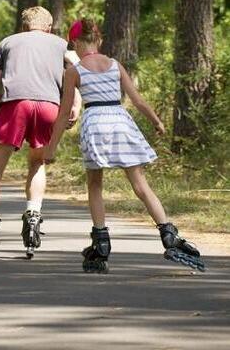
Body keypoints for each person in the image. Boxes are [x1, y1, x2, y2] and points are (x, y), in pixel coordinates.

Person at [43, 18, 205, 273]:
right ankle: (169, 235)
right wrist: (157, 121)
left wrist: (51, 148)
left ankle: (101, 242)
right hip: (120, 121)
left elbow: (64, 114)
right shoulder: (115, 65)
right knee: (140, 184)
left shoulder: (74, 71)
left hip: (95, 122)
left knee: (95, 184)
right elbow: (137, 99)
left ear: (74, 43)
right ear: (99, 39)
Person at [0, 6, 81, 263]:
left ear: (24, 26)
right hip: (49, 106)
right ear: (48, 27)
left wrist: (2, 104)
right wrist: (74, 106)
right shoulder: (61, 45)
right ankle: (33, 217)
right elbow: (78, 76)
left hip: (16, 105)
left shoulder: (7, 43)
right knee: (37, 163)